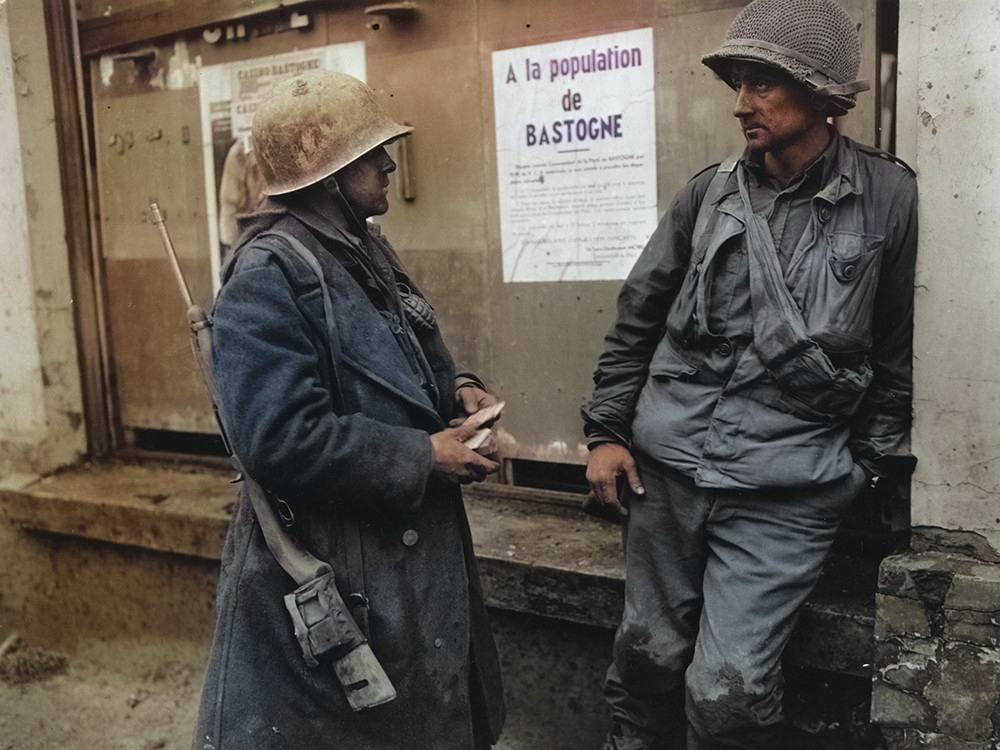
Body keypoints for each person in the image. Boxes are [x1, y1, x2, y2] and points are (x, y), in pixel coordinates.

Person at [581, 1, 918, 747]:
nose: (741, 103)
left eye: (762, 83)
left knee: (726, 693)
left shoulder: (888, 198)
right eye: (739, 82)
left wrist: (864, 469)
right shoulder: (707, 195)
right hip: (666, 477)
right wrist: (605, 431)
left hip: (787, 488)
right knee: (645, 662)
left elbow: (893, 351)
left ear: (821, 92)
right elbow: (637, 317)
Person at [192, 70, 505, 749]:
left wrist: (459, 392)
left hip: (400, 567)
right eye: (371, 153)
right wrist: (421, 454)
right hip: (342, 567)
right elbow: (277, 437)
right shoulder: (267, 275)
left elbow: (405, 350)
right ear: (320, 162)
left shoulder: (360, 247)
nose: (390, 163)